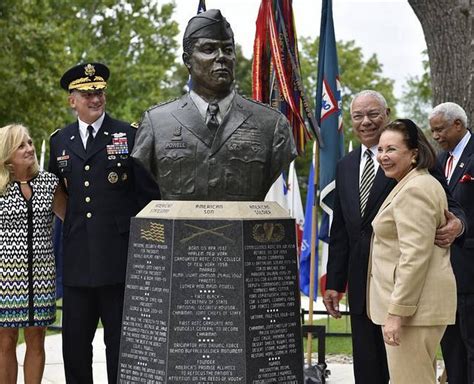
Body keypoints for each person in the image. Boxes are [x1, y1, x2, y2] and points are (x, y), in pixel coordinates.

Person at [323, 90, 465, 384]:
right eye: (358, 116)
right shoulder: (346, 165)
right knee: (369, 371)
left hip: (406, 294)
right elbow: (341, 231)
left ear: (386, 113)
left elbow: (448, 207)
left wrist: (458, 225)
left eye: (373, 114)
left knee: (408, 374)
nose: (366, 122)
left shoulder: (417, 169)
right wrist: (335, 282)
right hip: (364, 289)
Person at [48, 62, 160, 383]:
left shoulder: (128, 134)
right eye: (87, 93)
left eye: (99, 92)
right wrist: (72, 223)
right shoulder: (60, 141)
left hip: (119, 263)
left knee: (121, 350)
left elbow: (148, 199)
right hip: (78, 264)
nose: (95, 99)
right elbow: (56, 194)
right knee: (75, 351)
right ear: (72, 100)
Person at [132, 9, 297, 201]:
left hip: (243, 228)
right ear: (187, 61)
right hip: (180, 229)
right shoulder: (156, 122)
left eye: (228, 50)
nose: (221, 57)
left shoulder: (272, 124)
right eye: (209, 50)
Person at [368, 119, 456, 383]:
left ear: (414, 153)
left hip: (412, 313)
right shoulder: (411, 183)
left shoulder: (415, 189)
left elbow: (414, 257)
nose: (383, 157)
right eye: (381, 150)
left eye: (392, 150)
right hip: (417, 310)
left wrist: (397, 313)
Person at [0, 124, 66, 384]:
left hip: (42, 277)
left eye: (29, 143)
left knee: (37, 338)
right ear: (7, 155)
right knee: (5, 340)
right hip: (5, 279)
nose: (29, 149)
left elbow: (71, 220)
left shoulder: (49, 183)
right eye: (21, 145)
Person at [429, 102, 474, 384]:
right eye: (432, 131)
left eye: (439, 130)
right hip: (443, 274)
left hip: (470, 271)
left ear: (458, 124)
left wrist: (462, 227)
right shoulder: (437, 161)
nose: (435, 136)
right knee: (452, 348)